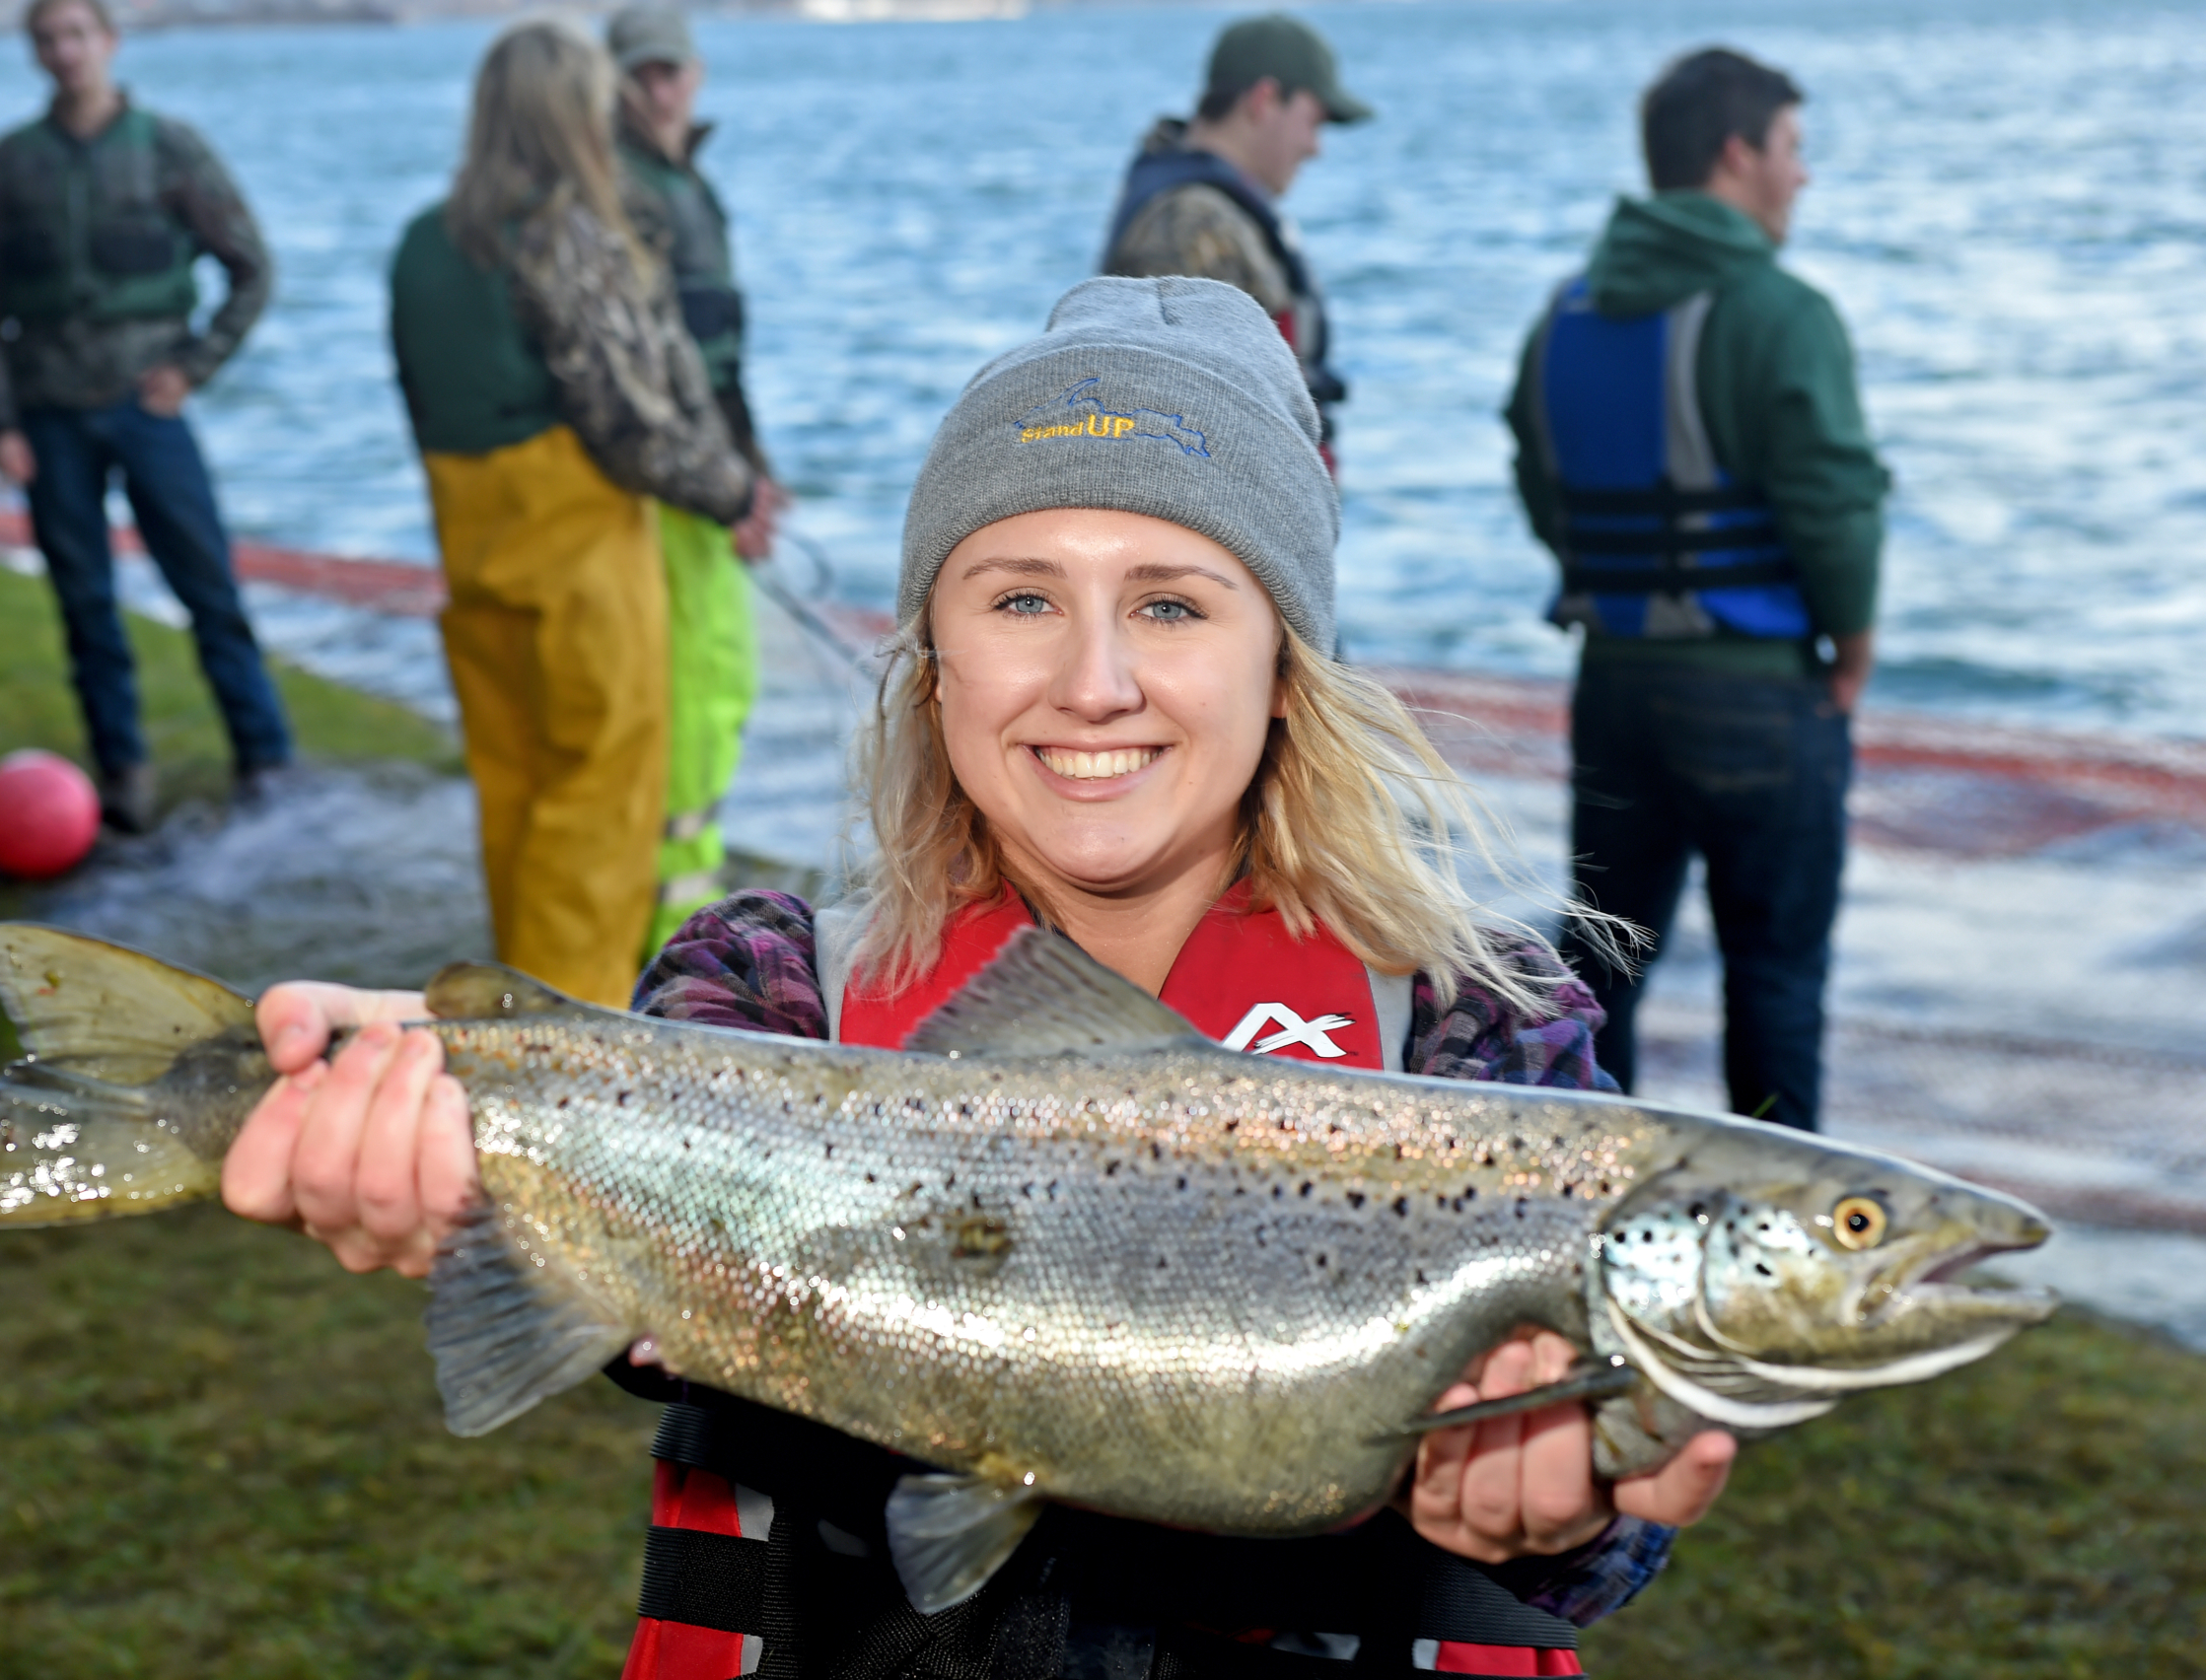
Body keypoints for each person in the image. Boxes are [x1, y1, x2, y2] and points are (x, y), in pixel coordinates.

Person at [225, 278, 1737, 1676]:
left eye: (1172, 602)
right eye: (1020, 599)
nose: (1093, 680)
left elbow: (1598, 1563)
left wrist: (1600, 1503)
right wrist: (455, 1105)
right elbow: (641, 1300)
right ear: (931, 660)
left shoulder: (1481, 1035)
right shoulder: (768, 991)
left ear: (1285, 661)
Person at [1505, 47, 1890, 1133]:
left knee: (1600, 964)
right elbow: (1833, 504)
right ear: (1736, 155)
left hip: (1615, 685)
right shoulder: (1781, 312)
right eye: (1791, 149)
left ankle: (1577, 1191)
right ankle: (1778, 1224)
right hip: (1759, 694)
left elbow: (1537, 477)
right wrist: (1851, 648)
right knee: (1772, 974)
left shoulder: (1564, 315)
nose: (1800, 176)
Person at [388, 21, 770, 1010]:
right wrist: (735, 491)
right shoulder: (568, 233)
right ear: (576, 111)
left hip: (474, 546)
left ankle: (511, 998)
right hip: (582, 558)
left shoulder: (424, 245)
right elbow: (627, 424)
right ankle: (574, 1031)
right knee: (596, 803)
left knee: (511, 790)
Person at [0, 0, 292, 835]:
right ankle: (122, 772)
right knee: (85, 604)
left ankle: (266, 759)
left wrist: (193, 367)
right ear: (34, 51)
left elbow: (250, 268)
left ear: (108, 42)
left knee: (208, 587)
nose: (66, 52)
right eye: (48, 38)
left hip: (146, 409)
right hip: (48, 416)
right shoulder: (13, 161)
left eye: (78, 34)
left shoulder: (167, 148)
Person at [608, 3, 785, 957]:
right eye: (641, 74)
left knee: (718, 683)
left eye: (672, 70)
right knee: (701, 685)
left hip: (713, 471)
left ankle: (683, 899)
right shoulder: (625, 192)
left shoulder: (687, 185)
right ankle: (672, 923)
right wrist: (723, 486)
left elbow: (717, 353)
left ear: (697, 72)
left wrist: (754, 469)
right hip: (671, 489)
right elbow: (651, 370)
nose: (661, 89)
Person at [1103, 12, 1367, 463]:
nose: (1315, 147)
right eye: (1314, 122)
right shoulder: (1188, 224)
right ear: (1264, 100)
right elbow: (1176, 429)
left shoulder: (1214, 213)